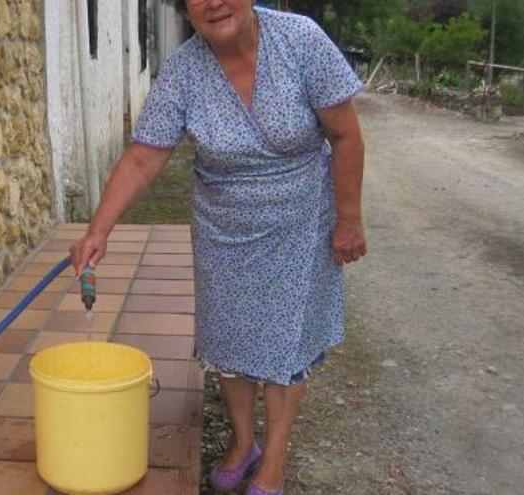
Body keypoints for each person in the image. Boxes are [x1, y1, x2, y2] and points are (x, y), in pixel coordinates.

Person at [69, 1, 367, 493]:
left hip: (301, 219)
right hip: (222, 228)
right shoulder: (185, 69)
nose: (212, 2)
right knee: (226, 338)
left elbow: (346, 134)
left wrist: (349, 220)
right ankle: (242, 440)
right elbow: (144, 156)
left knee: (286, 339)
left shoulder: (301, 40)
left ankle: (273, 457)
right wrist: (98, 230)